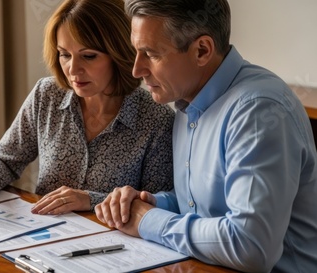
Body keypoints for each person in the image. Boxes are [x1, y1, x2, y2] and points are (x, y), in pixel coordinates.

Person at [94, 0, 317, 272]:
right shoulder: (188, 100)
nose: (136, 70)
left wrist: (148, 220)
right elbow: (202, 205)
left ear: (202, 50)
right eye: (136, 52)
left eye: (150, 54)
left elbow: (250, 246)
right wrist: (152, 203)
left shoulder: (258, 111)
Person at [0, 0, 174, 215]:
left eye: (88, 56)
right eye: (65, 55)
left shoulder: (157, 119)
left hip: (114, 244)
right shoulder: (47, 94)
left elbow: (156, 204)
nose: (73, 69)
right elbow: (6, 159)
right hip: (43, 235)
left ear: (119, 53)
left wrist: (90, 200)